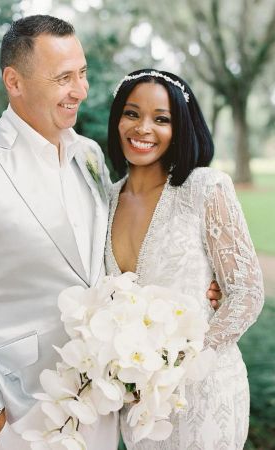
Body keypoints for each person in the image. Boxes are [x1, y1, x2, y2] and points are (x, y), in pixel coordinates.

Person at [0, 15, 221, 449]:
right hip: (20, 402)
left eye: (82, 73)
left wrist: (195, 285)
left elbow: (110, 258)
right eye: (63, 77)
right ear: (14, 81)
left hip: (100, 394)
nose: (80, 90)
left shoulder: (91, 154)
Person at [105, 68, 264, 449]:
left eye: (162, 119)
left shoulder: (204, 188)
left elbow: (246, 293)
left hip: (204, 394)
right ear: (117, 120)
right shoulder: (104, 200)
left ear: (181, 128)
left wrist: (178, 367)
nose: (143, 128)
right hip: (138, 405)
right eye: (132, 113)